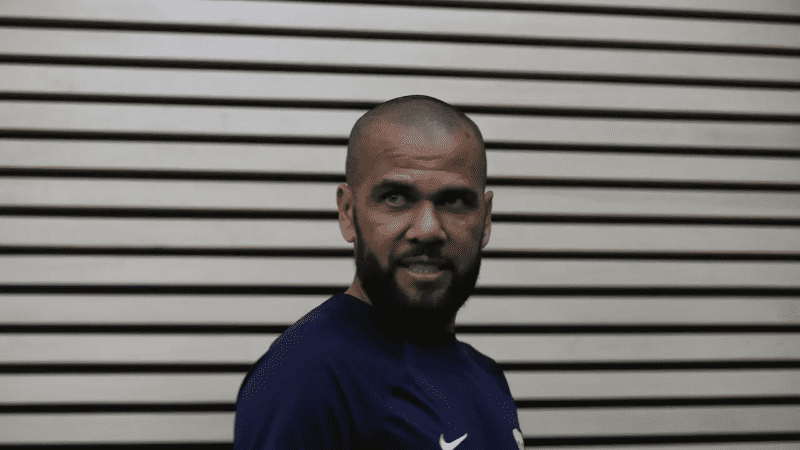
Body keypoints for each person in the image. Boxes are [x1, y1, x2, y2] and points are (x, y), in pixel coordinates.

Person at [234, 95, 524, 450]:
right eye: (395, 198)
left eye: (454, 201)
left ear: (487, 219)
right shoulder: (306, 376)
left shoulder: (487, 377)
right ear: (347, 212)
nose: (428, 230)